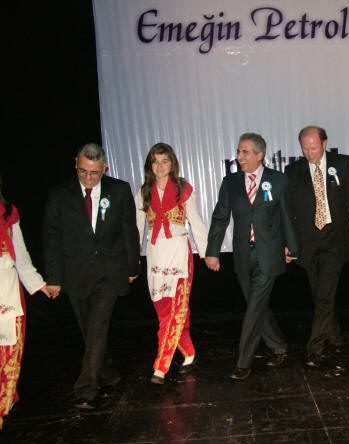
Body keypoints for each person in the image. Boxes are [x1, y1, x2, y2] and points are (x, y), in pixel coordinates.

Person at [43, 143, 140, 409]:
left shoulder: (119, 190)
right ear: (76, 163)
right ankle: (109, 373)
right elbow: (51, 238)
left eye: (95, 173)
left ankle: (86, 389)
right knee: (90, 330)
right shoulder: (59, 194)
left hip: (109, 272)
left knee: (97, 327)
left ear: (104, 168)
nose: (88, 178)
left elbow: (129, 231)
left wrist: (132, 267)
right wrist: (53, 277)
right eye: (83, 171)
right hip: (76, 273)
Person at [205, 133, 298, 380]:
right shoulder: (230, 182)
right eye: (238, 151)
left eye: (245, 152)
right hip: (243, 255)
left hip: (269, 254)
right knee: (257, 305)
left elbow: (287, 216)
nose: (239, 156)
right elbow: (220, 217)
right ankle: (278, 345)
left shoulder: (278, 181)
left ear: (259, 154)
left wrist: (292, 247)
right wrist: (212, 251)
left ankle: (243, 361)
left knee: (255, 306)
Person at [284, 126, 349, 367]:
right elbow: (288, 212)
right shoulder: (293, 171)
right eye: (305, 148)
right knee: (320, 295)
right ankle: (335, 335)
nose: (309, 153)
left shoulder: (342, 164)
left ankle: (314, 347)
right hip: (307, 243)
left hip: (334, 240)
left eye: (314, 148)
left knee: (325, 295)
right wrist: (287, 243)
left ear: (324, 143)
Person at [135, 143, 208, 384]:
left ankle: (161, 366)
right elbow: (138, 228)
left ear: (172, 164)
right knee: (166, 310)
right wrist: (132, 260)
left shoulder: (183, 189)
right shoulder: (144, 192)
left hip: (179, 256)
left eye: (164, 161)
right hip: (156, 256)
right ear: (150, 165)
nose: (160, 166)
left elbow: (196, 222)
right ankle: (189, 351)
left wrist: (208, 253)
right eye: (155, 161)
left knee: (173, 311)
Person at [0, 174, 51, 429]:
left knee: (9, 349)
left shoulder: (9, 213)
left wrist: (37, 283)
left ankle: (4, 401)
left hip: (7, 288)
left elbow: (19, 253)